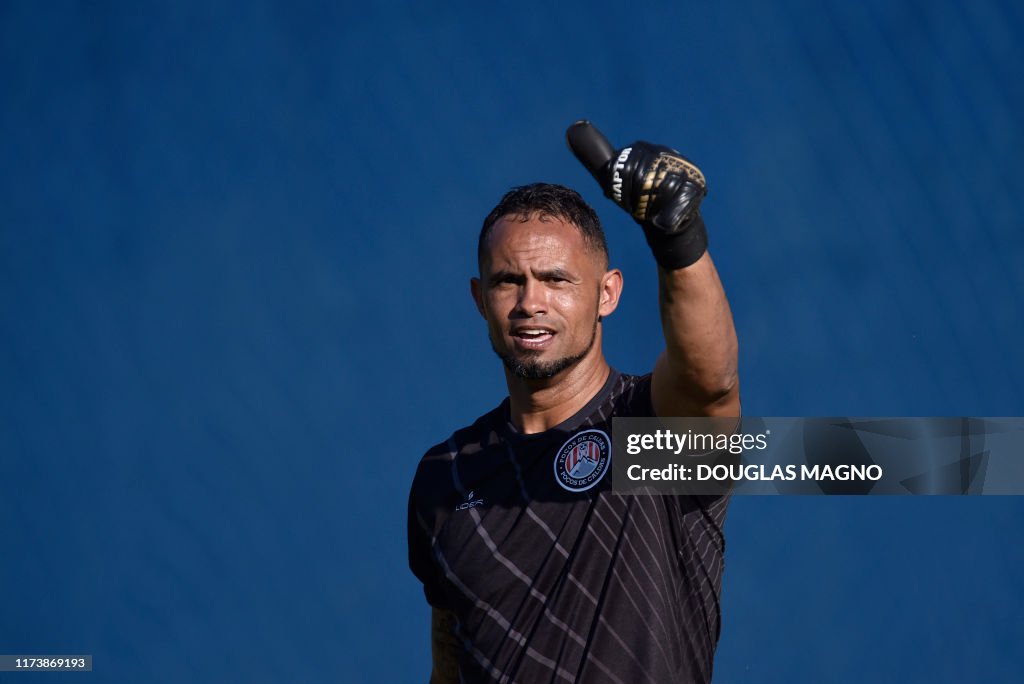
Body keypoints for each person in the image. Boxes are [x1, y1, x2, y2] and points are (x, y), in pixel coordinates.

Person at [407, 121, 740, 683]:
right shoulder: (446, 476)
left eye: (557, 280)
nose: (530, 302)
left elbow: (711, 384)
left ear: (607, 293)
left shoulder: (647, 432)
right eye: (508, 281)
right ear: (479, 298)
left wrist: (678, 239)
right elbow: (450, 657)